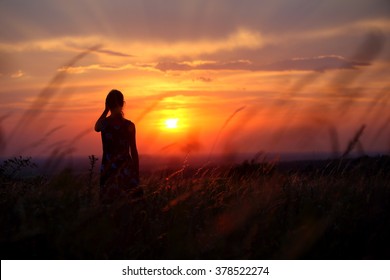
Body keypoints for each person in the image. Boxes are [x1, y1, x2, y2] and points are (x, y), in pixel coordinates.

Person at [95, 89, 140, 200]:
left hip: (108, 168)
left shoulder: (104, 124)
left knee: (109, 204)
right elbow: (133, 150)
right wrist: (136, 171)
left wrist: (105, 110)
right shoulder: (129, 125)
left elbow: (96, 127)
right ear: (122, 104)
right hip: (127, 169)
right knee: (130, 204)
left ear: (108, 104)